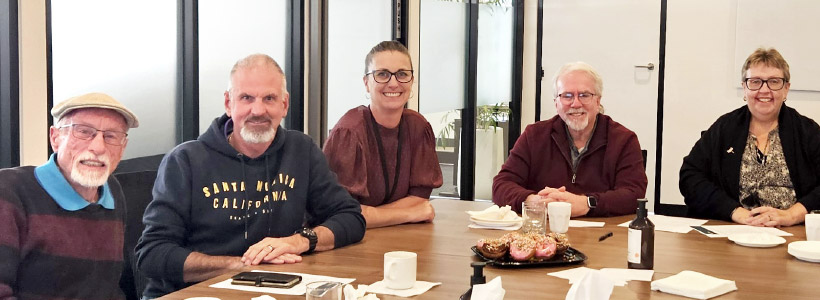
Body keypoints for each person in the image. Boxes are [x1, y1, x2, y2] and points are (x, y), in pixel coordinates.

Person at [135, 54, 365, 297]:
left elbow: (350, 218)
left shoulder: (302, 150)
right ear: (228, 103)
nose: (258, 110)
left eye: (269, 98)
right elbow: (152, 254)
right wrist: (240, 266)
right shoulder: (184, 161)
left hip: (273, 289)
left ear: (284, 105)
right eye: (246, 98)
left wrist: (299, 241)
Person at [0, 93, 139, 299]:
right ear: (55, 138)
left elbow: (107, 290)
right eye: (84, 132)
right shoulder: (9, 191)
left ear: (123, 148)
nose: (98, 147)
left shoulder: (111, 189)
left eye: (111, 136)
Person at [680, 47, 820, 227]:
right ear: (744, 88)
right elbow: (690, 177)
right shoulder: (725, 128)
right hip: (734, 232)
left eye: (774, 82)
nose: (764, 90)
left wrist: (792, 215)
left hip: (793, 233)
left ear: (786, 89)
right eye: (755, 82)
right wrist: (735, 212)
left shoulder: (806, 131)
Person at [492, 62, 647, 217]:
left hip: (603, 235)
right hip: (543, 233)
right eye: (567, 96)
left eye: (584, 95)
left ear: (598, 101)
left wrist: (587, 203)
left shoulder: (624, 140)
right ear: (556, 103)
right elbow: (501, 184)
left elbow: (634, 194)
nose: (576, 103)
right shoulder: (534, 135)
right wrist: (532, 201)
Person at [323, 41, 443, 228]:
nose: (393, 83)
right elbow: (343, 214)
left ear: (412, 81)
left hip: (402, 238)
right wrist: (410, 213)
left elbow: (420, 200)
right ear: (366, 83)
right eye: (382, 74)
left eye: (402, 74)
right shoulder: (349, 133)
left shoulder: (418, 127)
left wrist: (373, 215)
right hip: (350, 244)